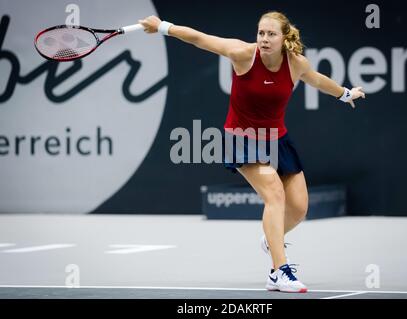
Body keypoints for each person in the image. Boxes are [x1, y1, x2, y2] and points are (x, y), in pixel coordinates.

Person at [139, 11, 365, 293]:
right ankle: (280, 272)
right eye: (261, 33)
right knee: (275, 195)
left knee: (299, 208)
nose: (264, 39)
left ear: (284, 38)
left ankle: (272, 239)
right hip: (242, 138)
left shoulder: (296, 64)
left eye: (271, 34)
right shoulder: (243, 54)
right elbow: (200, 39)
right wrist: (162, 26)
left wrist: (345, 94)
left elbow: (318, 80)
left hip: (278, 139)